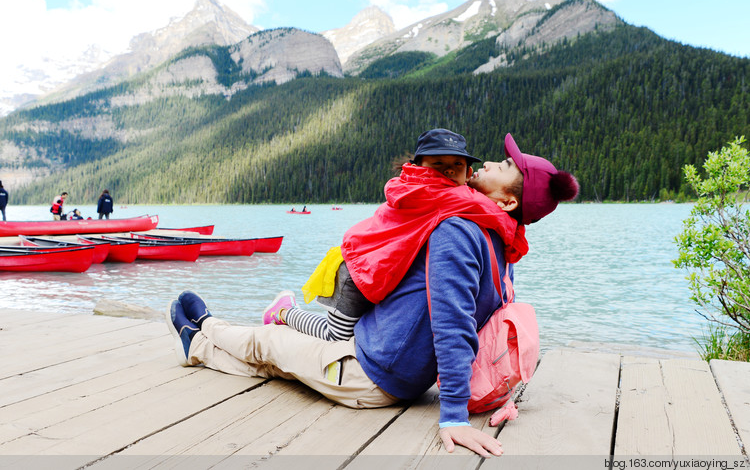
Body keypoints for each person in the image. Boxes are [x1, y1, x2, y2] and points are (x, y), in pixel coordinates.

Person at [166, 133, 579, 457]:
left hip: (371, 377)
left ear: (508, 201)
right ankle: (197, 347)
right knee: (275, 367)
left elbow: (454, 326)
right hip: (385, 360)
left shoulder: (461, 231)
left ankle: (206, 326)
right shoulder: (501, 240)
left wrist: (453, 416)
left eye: (505, 166)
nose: (490, 161)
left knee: (267, 342)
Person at [269, 128, 513, 342]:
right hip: (356, 273)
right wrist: (515, 231)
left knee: (356, 335)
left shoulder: (439, 192)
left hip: (377, 271)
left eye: (456, 165)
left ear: (468, 172)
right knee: (337, 336)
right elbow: (488, 211)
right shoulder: (431, 191)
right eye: (438, 164)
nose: (448, 171)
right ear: (420, 168)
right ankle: (284, 312)